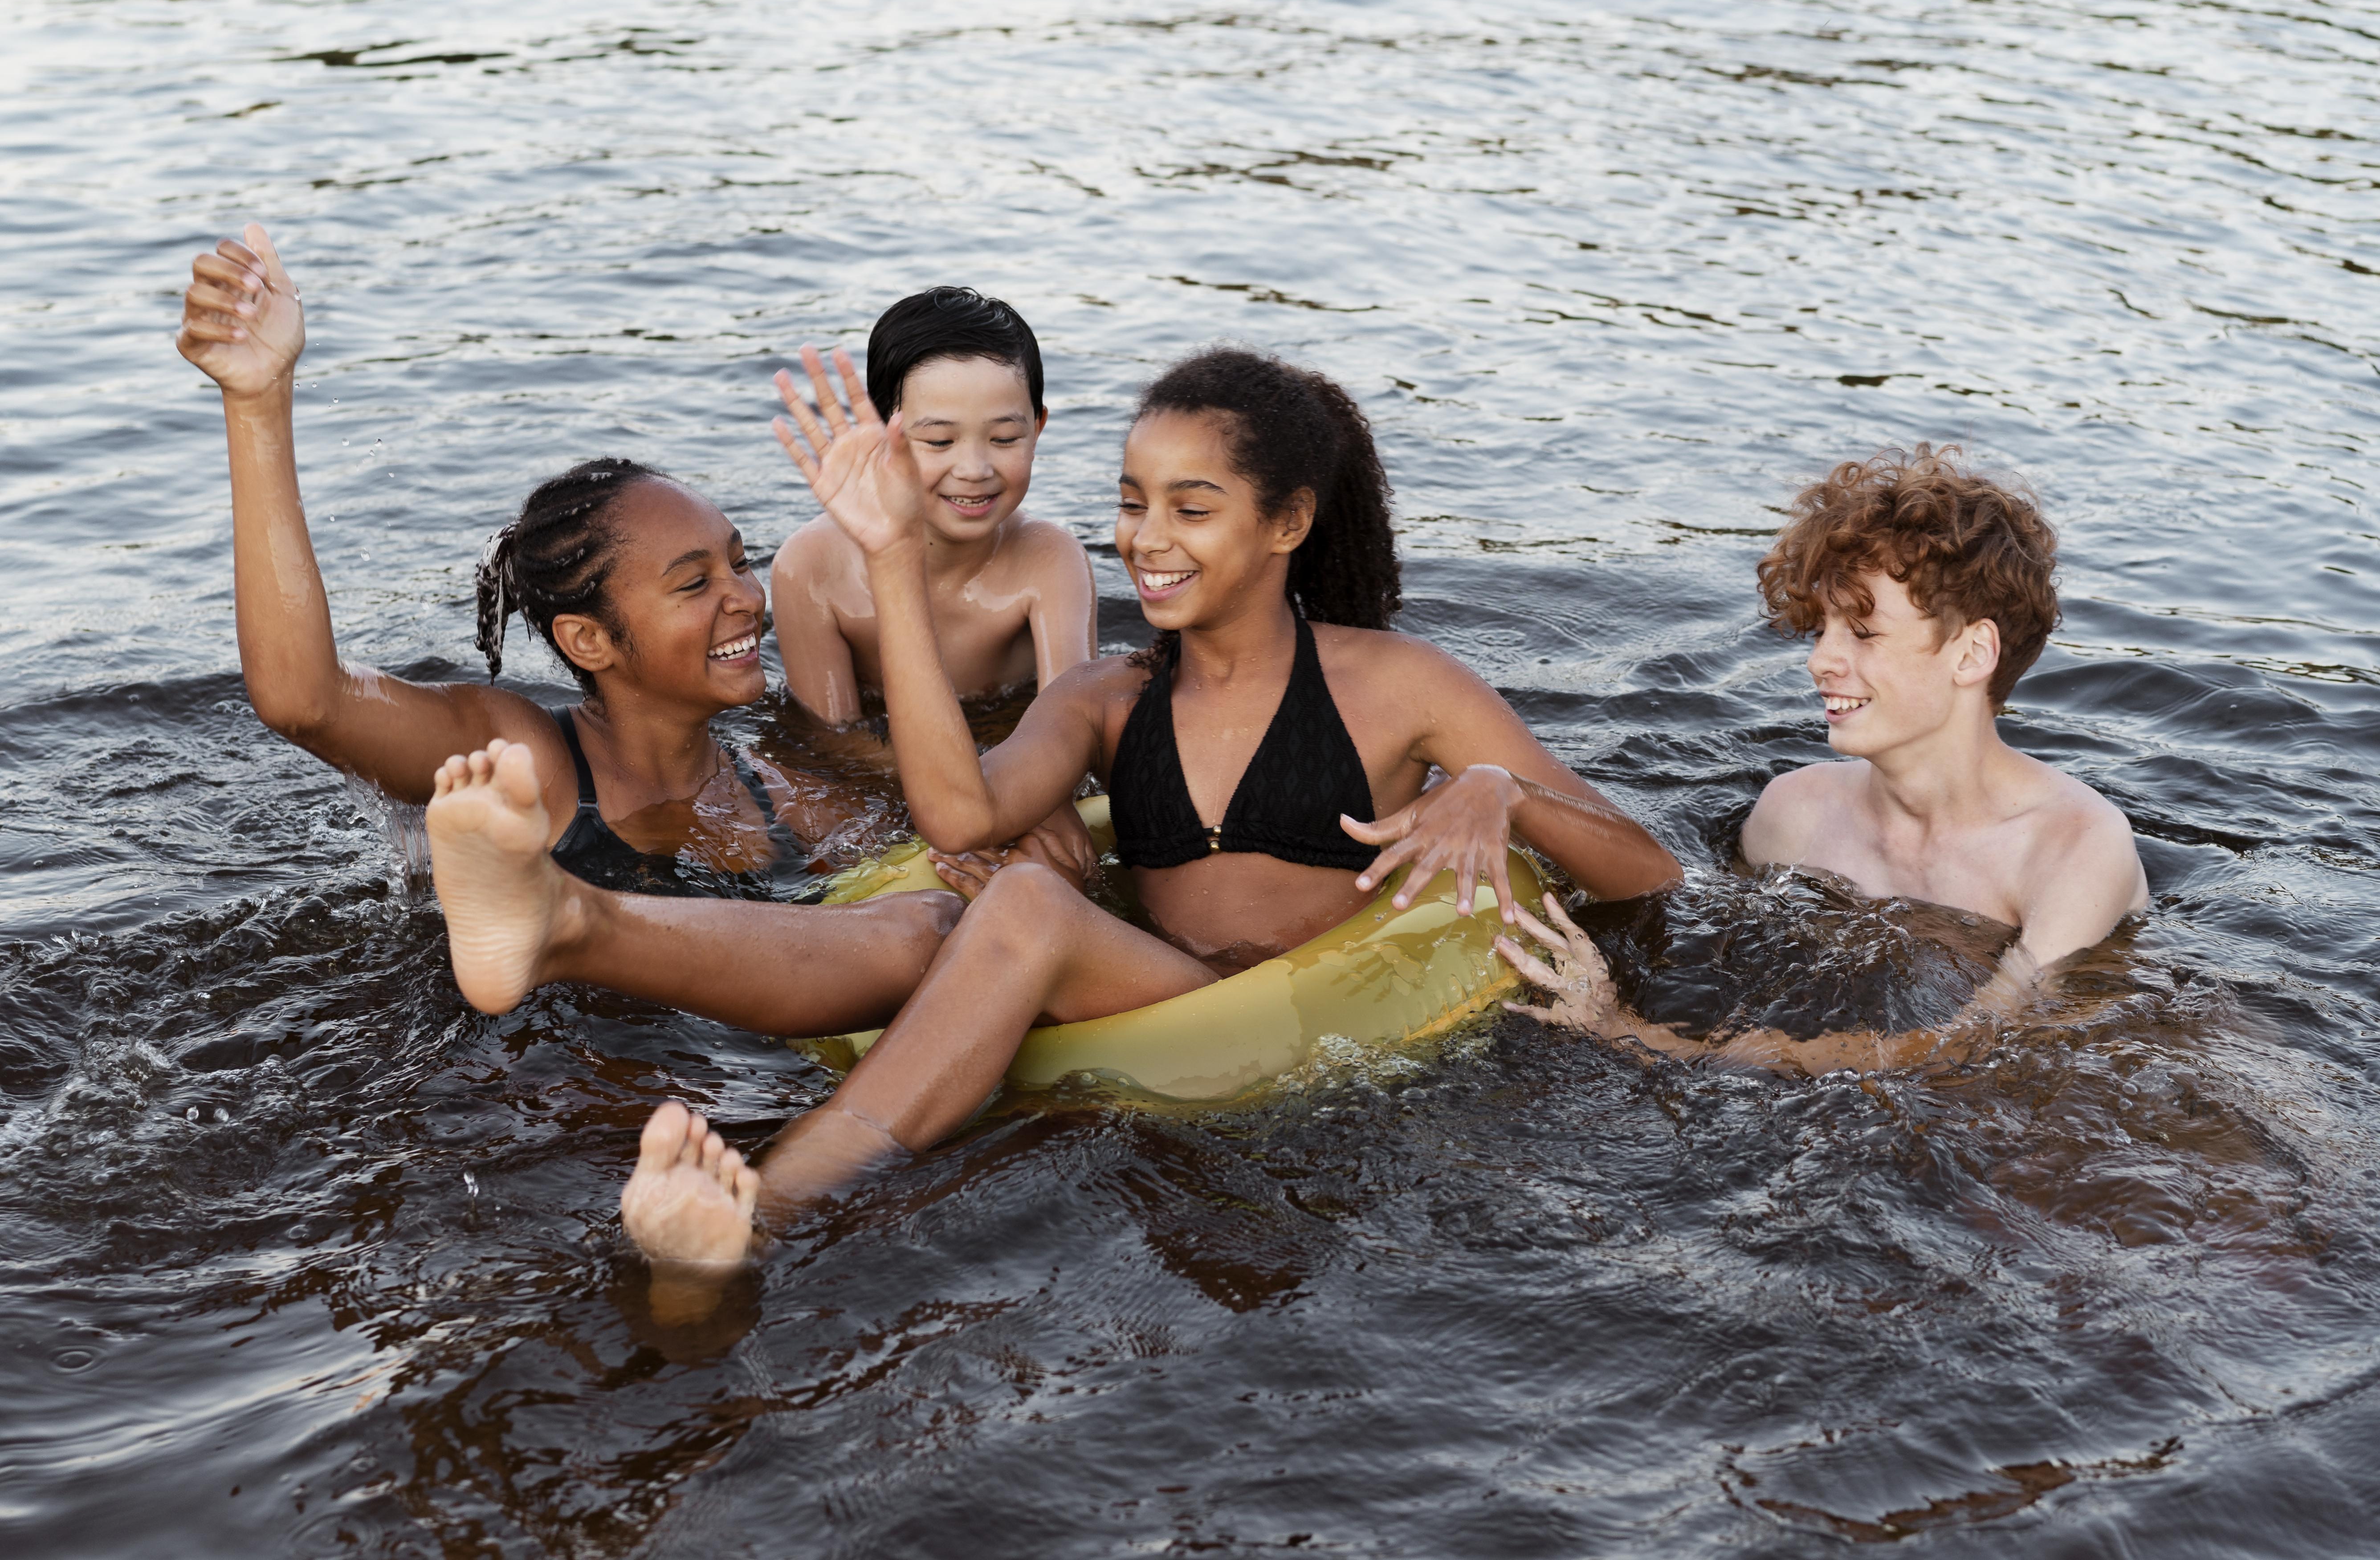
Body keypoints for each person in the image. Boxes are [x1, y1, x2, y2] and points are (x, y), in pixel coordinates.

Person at [418, 344, 1684, 1300]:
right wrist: (893, 556)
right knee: (936, 911)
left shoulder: (1401, 686)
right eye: (1133, 503)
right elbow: (956, 806)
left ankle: (767, 1204)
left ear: (1285, 523)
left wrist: (1492, 790)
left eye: (1192, 509)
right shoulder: (1108, 696)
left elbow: (1647, 866)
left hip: (1300, 1024)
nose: (1147, 540)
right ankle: (565, 921)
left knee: (1019, 903)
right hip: (1163, 993)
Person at [174, 223, 959, 1031]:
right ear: (589, 641)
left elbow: (933, 836)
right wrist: (258, 402)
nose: (745, 597)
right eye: (694, 581)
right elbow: (305, 700)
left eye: (739, 560)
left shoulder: (779, 796)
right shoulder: (527, 762)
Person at [1500, 444, 2148, 1075]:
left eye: (1863, 633)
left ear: (1972, 654)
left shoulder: (2075, 848)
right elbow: (1694, 958)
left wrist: (1634, 1035)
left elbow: (1970, 1050)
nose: (1819, 661)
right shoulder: (1791, 814)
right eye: (1822, 631)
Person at [769, 286, 1096, 728]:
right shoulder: (811, 568)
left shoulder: (1050, 561)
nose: (975, 469)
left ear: (1037, 430)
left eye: (1004, 439)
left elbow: (1071, 733)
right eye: (940, 441)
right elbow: (831, 747)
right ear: (880, 435)